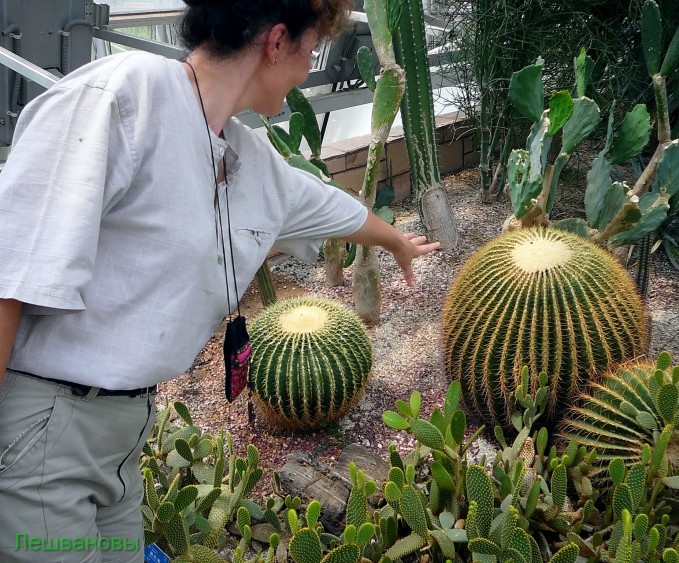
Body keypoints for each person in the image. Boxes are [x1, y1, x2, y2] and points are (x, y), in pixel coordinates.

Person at [0, 0, 440, 561]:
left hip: (122, 435)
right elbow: (9, 277)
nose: (310, 68)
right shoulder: (121, 96)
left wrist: (397, 241)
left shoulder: (246, 155)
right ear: (276, 42)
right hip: (46, 435)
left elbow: (332, 209)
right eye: (311, 50)